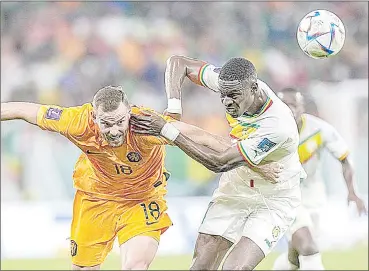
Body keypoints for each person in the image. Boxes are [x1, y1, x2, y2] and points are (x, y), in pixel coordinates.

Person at [131, 56, 306, 270]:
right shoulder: (232, 82)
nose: (226, 101)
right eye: (222, 95)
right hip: (236, 186)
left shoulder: (276, 125)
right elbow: (178, 63)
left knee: (234, 268)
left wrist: (167, 129)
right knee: (201, 265)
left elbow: (219, 163)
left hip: (274, 198)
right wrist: (174, 106)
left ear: (253, 88)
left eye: (233, 96)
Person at [1, 86, 175, 270]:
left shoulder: (147, 124)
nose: (115, 131)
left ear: (129, 113)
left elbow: (189, 134)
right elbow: (23, 110)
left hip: (141, 199)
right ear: (94, 117)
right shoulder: (77, 121)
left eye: (120, 122)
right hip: (96, 198)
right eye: (107, 124)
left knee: (135, 265)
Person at [271, 87, 367, 270]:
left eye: (294, 105)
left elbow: (345, 159)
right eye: (284, 105)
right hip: (284, 197)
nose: (289, 110)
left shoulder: (319, 129)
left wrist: (352, 192)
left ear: (302, 107)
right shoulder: (268, 133)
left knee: (296, 256)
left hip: (314, 196)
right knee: (308, 248)